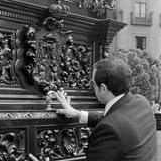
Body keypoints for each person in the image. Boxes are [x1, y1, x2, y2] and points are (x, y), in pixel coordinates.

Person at [29, 56, 157, 161]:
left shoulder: (110, 128)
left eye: (92, 83)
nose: (92, 87)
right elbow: (116, 120)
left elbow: (112, 125)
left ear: (103, 88)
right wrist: (78, 114)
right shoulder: (141, 103)